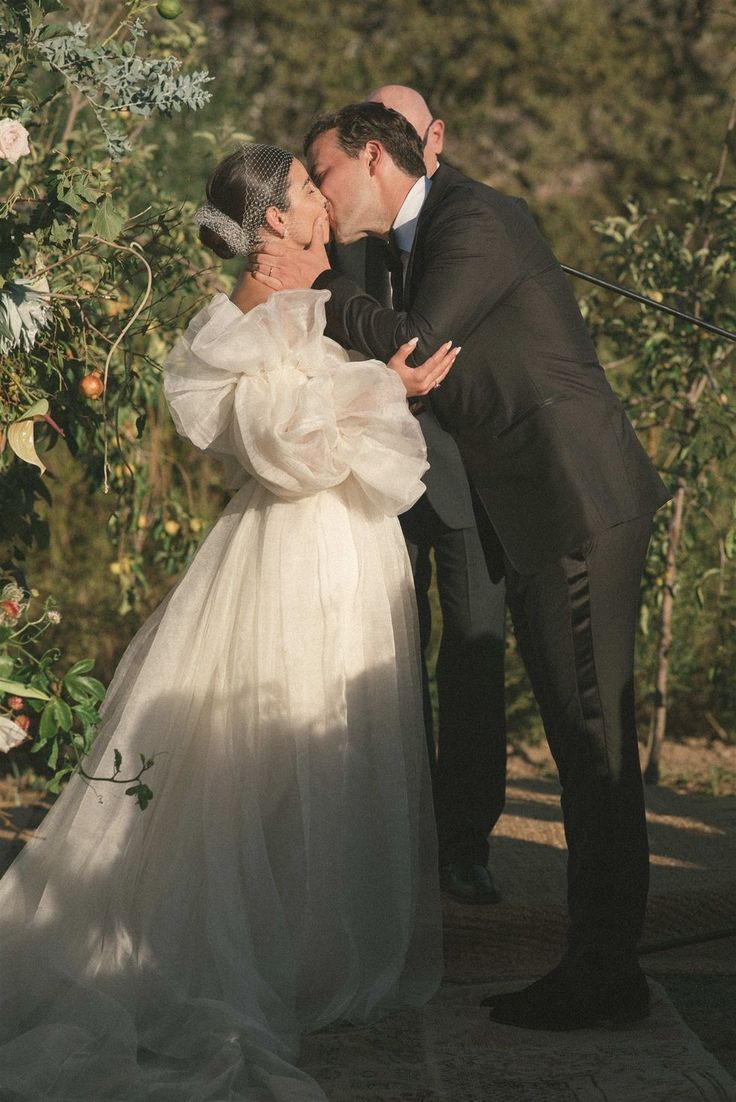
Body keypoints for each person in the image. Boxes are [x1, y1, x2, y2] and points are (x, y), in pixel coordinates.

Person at [0, 143, 454, 1100]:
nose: (321, 198)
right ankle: (247, 951)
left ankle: (305, 942)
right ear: (274, 227)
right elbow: (285, 446)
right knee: (260, 745)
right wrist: (385, 389)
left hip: (351, 549)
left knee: (333, 752)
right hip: (291, 553)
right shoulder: (238, 322)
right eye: (302, 188)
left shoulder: (322, 288)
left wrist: (366, 390)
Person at [251, 103, 672, 1031]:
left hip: (574, 506)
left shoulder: (475, 218)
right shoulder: (414, 236)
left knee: (594, 744)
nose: (318, 194)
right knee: (578, 740)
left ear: (371, 156)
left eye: (324, 174)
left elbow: (419, 348)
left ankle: (606, 975)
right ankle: (600, 961)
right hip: (530, 513)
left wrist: (319, 280)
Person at [329, 85, 507, 907]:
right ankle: (391, 834)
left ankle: (466, 840)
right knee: (386, 655)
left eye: (420, 133)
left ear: (435, 134)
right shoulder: (347, 224)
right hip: (377, 473)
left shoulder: (471, 220)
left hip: (467, 476)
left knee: (472, 652)